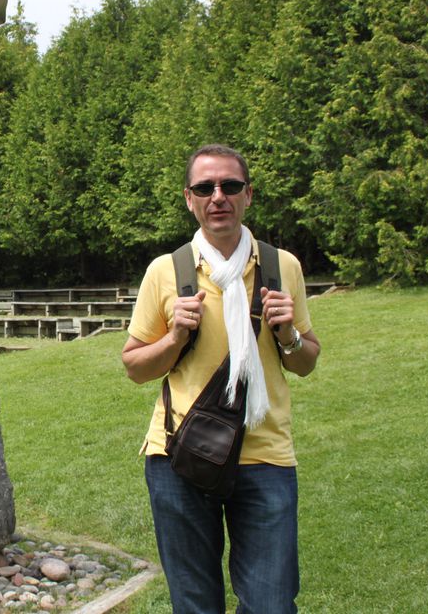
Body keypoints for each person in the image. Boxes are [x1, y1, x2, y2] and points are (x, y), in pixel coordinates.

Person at [122, 144, 321, 613]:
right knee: (195, 605)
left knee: (272, 605)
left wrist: (288, 333)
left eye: (230, 186)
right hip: (180, 455)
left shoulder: (281, 266)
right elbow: (134, 366)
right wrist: (173, 338)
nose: (218, 197)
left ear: (248, 195)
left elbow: (306, 361)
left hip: (264, 453)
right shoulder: (166, 271)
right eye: (204, 188)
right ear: (189, 199)